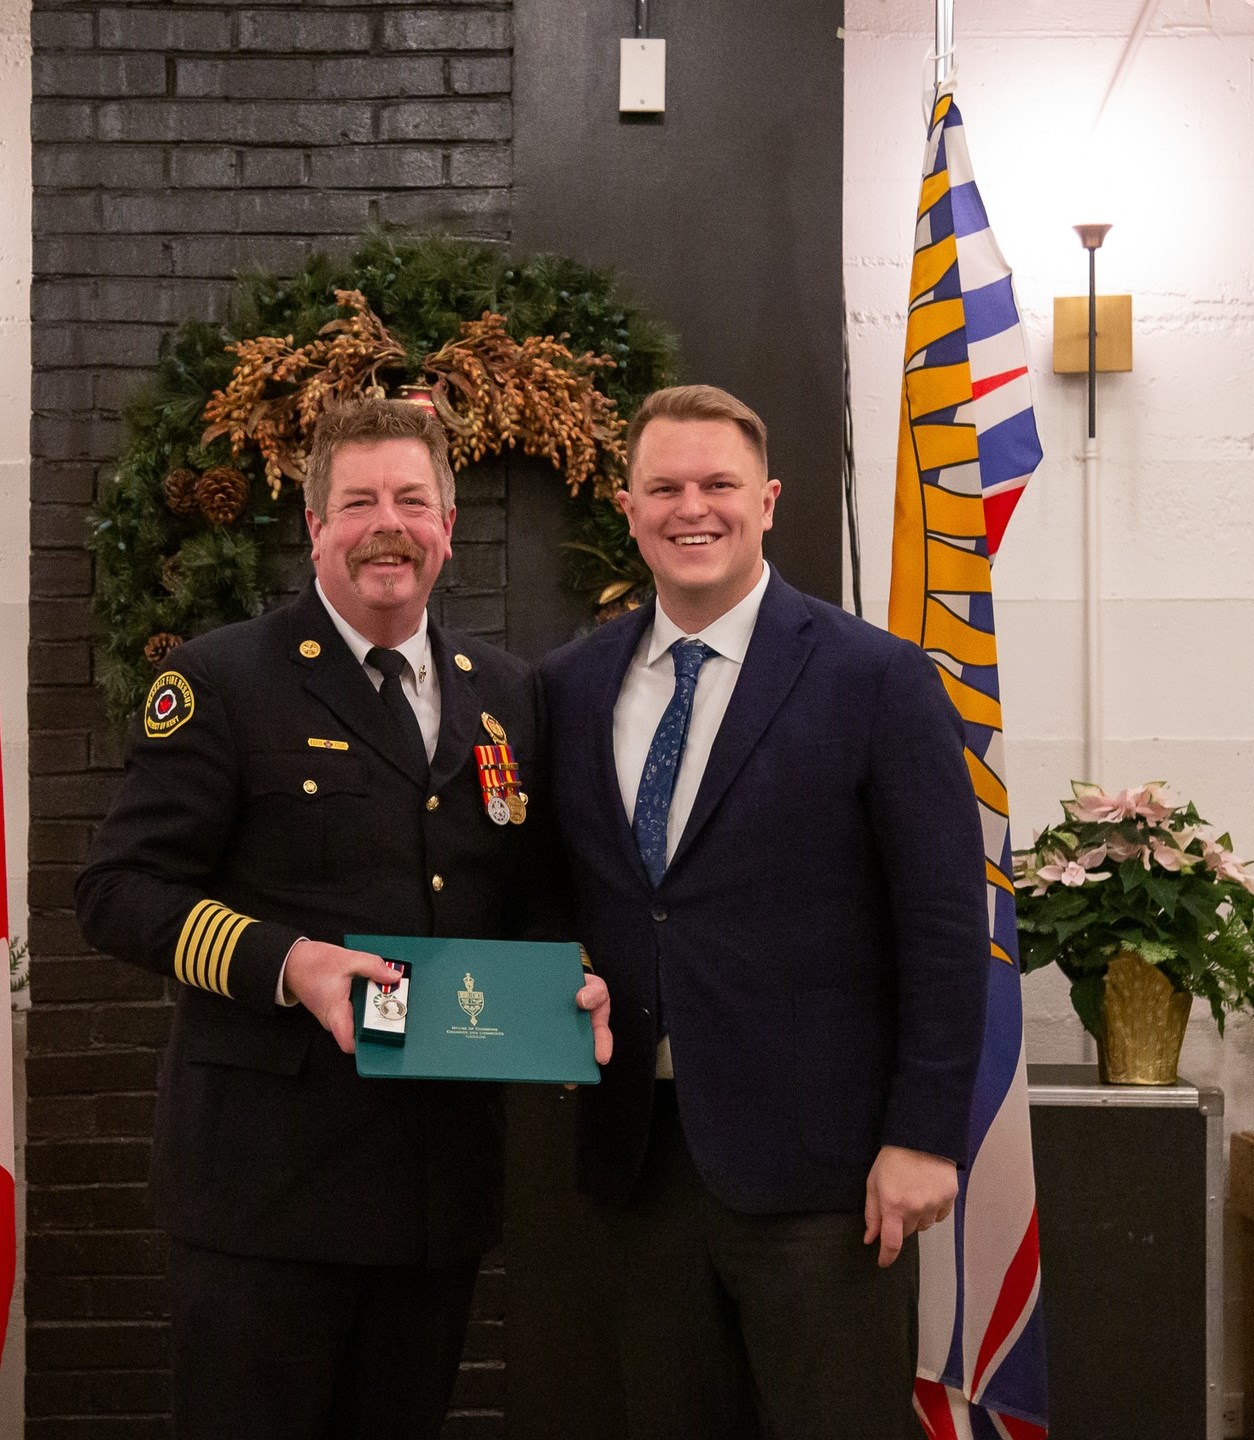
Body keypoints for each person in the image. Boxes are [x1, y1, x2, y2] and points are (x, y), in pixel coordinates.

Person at [78, 397, 612, 1440]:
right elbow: (117, 890)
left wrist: (569, 981)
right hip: (264, 1193)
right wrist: (292, 964)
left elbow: (527, 891)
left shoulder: (503, 694)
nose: (388, 523)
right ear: (314, 527)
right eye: (358, 500)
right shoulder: (220, 680)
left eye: (413, 500)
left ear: (447, 528)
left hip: (432, 1191)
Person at [540, 384, 988, 1439]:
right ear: (628, 505)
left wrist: (924, 1135)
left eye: (718, 484)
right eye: (664, 487)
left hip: (827, 1178)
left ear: (769, 500)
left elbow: (940, 927)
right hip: (637, 1165)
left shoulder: (876, 679)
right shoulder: (567, 684)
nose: (691, 507)